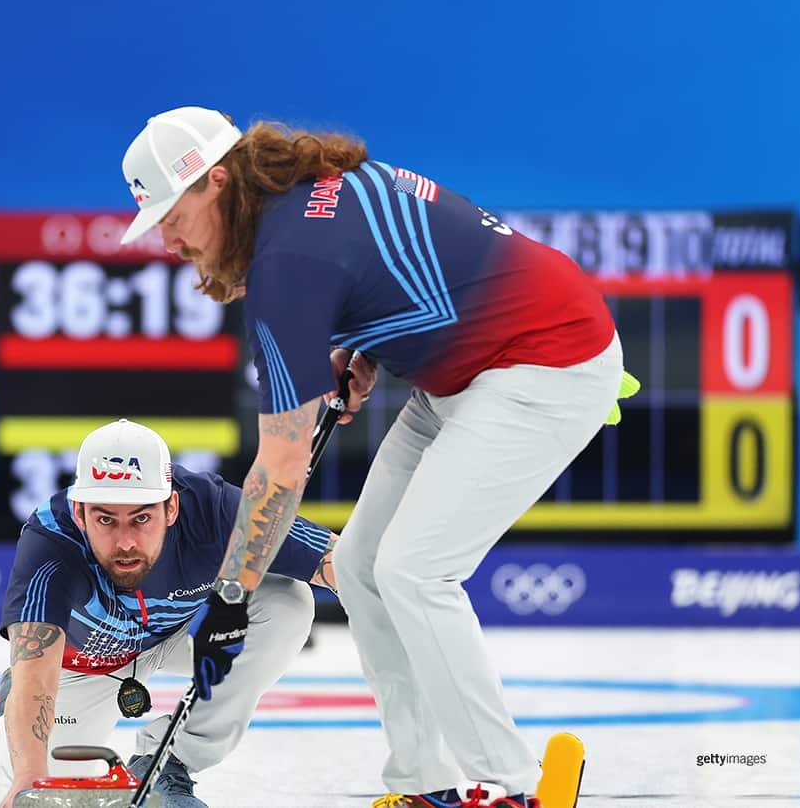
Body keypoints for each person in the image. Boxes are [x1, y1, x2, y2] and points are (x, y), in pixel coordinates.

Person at [116, 107, 622, 808]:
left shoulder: (287, 267)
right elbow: (405, 260)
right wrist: (367, 343)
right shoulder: (308, 187)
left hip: (546, 361)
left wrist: (231, 596)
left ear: (218, 183)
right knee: (358, 566)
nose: (167, 240)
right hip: (474, 368)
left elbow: (280, 467)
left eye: (172, 215)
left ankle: (516, 789)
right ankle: (424, 784)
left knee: (414, 570)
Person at [0, 419, 342, 808]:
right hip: (83, 665)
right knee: (53, 787)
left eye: (142, 518)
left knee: (287, 603)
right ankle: (13, 707)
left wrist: (388, 611)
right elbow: (36, 667)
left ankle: (167, 762)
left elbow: (342, 564)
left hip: (181, 634)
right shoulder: (50, 540)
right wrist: (29, 780)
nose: (126, 542)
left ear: (172, 507)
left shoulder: (214, 508)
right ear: (79, 512)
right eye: (105, 519)